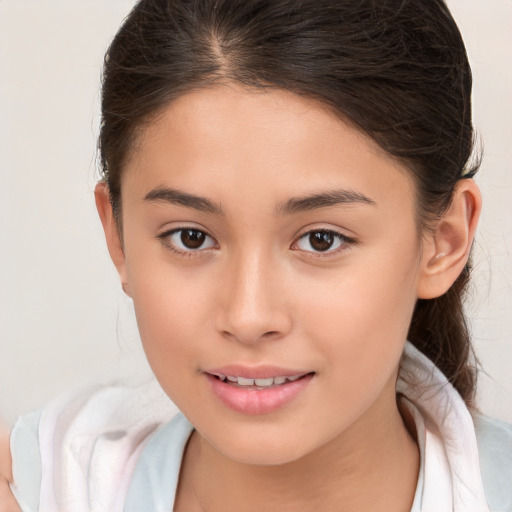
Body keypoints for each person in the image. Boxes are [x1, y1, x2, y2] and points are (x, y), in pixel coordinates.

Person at [3, 0, 512, 510]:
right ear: (117, 236)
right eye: (191, 237)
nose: (248, 318)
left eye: (321, 240)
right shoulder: (39, 487)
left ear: (443, 242)